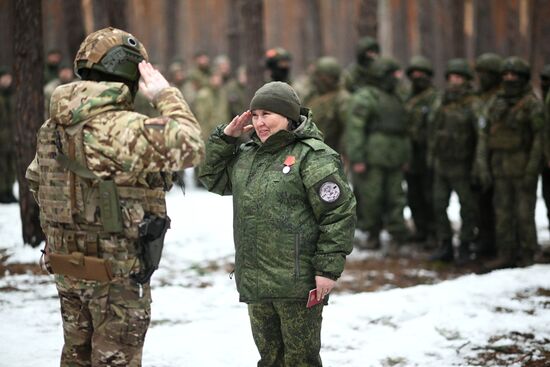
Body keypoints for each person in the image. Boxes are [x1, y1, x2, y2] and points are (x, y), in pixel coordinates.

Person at [25, 27, 204, 366]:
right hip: (116, 275)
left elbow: (37, 180)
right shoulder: (120, 126)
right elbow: (191, 145)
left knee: (76, 356)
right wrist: (165, 95)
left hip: (69, 266)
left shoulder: (52, 127)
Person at [198, 81, 356, 366]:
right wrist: (225, 138)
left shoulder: (313, 156)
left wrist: (328, 269)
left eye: (267, 114)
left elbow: (338, 214)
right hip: (256, 282)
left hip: (297, 283)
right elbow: (212, 179)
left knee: (301, 361)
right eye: (255, 115)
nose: (259, 122)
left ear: (288, 116)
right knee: (270, 359)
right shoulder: (247, 156)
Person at [477, 57, 544, 270]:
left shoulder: (532, 104)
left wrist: (532, 170)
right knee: (502, 211)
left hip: (522, 165)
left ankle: (528, 254)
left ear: (523, 78)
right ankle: (506, 253)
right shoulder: (495, 102)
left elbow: (539, 140)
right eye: (505, 75)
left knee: (524, 213)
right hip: (499, 165)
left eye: (514, 75)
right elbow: (485, 134)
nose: (509, 79)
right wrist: (483, 165)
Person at [347, 57, 411, 251]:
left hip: (395, 155)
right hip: (372, 157)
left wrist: (406, 157)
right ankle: (373, 234)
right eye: (393, 75)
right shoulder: (365, 97)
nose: (396, 79)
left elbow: (404, 129)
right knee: (371, 197)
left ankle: (398, 234)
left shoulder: (397, 97)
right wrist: (357, 158)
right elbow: (355, 129)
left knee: (396, 196)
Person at [429, 58, 481, 264]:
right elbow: (433, 131)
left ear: (466, 80)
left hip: (464, 164)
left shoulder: (473, 103)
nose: (453, 81)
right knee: (438, 204)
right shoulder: (441, 101)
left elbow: (480, 137)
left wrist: (478, 164)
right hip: (443, 163)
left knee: (467, 206)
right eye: (451, 77)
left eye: (458, 77)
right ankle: (445, 245)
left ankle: (466, 245)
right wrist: (432, 157)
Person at [404, 55, 439, 245]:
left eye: (421, 73)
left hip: (428, 154)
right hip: (411, 154)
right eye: (414, 73)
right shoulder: (408, 97)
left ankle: (434, 233)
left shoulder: (434, 98)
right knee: (414, 195)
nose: (418, 77)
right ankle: (421, 230)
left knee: (429, 196)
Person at [473, 53, 503, 258]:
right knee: (481, 204)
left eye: (486, 73)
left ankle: (502, 245)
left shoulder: (500, 99)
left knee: (499, 206)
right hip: (478, 157)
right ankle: (485, 241)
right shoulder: (478, 98)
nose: (481, 78)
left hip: (499, 159)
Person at [302, 56, 349, 154]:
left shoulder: (342, 98)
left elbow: (348, 129)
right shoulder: (311, 95)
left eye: (323, 78)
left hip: (330, 152)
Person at [0, 68, 17, 203]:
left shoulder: (13, 96)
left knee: (11, 166)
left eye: (8, 78)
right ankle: (2, 191)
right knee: (2, 166)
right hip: (1, 137)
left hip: (12, 137)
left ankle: (9, 190)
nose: (6, 80)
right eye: (3, 78)